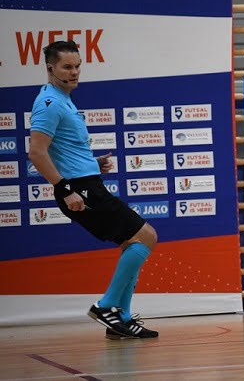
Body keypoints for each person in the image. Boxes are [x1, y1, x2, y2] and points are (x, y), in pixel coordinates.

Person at [28, 40, 159, 340]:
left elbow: (63, 150)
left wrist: (92, 164)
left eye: (77, 66)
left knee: (133, 243)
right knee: (146, 236)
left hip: (86, 183)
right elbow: (36, 152)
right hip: (79, 190)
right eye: (67, 67)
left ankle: (121, 320)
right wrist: (65, 189)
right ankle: (107, 306)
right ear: (50, 68)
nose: (74, 72)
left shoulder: (62, 99)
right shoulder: (49, 103)